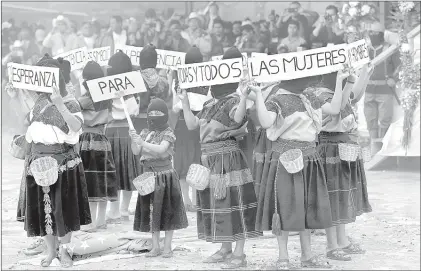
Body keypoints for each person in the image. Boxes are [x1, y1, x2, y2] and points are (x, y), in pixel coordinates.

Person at [250, 72, 352, 269]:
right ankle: (283, 257)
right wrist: (258, 95)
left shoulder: (308, 97)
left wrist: (341, 82)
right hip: (286, 159)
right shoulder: (277, 100)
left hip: (309, 158)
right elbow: (265, 123)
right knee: (284, 207)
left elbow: (334, 108)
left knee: (306, 207)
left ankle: (307, 255)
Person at [179, 47, 262, 269]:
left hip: (228, 159)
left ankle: (239, 254)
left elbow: (237, 118)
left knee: (236, 204)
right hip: (210, 160)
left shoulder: (234, 99)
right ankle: (225, 248)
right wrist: (185, 102)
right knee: (218, 205)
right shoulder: (209, 104)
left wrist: (243, 96)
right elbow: (191, 125)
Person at [24, 55, 91, 267]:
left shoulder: (70, 102)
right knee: (43, 209)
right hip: (38, 163)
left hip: (62, 162)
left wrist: (60, 104)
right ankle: (51, 251)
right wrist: (16, 95)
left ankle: (65, 251)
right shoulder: (37, 104)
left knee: (64, 209)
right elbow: (27, 124)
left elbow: (76, 128)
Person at [316, 66, 373, 261]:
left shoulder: (336, 91)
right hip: (329, 148)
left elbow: (351, 98)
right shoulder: (321, 94)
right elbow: (337, 109)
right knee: (331, 199)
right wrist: (344, 83)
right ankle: (331, 245)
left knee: (341, 198)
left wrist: (360, 75)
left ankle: (342, 240)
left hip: (343, 148)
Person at [130, 98, 188, 258]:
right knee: (151, 212)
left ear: (165, 114)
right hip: (148, 177)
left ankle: (167, 247)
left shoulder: (168, 133)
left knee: (168, 212)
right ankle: (155, 247)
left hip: (165, 177)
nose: (154, 115)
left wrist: (142, 142)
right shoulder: (144, 133)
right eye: (151, 112)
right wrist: (134, 140)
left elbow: (161, 149)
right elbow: (136, 151)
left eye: (158, 112)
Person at [77, 61, 118, 232]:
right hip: (103, 139)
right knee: (101, 180)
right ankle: (101, 220)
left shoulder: (86, 98)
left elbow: (73, 107)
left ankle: (90, 222)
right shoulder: (106, 96)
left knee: (90, 181)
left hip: (87, 139)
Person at [104, 51, 140, 223]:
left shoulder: (104, 90)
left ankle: (114, 211)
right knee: (128, 171)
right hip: (128, 132)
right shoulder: (132, 90)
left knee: (114, 172)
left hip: (110, 133)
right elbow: (135, 110)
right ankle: (124, 209)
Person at [172, 46, 208, 212]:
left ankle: (186, 201)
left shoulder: (178, 78)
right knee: (198, 160)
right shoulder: (207, 77)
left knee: (182, 162)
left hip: (181, 122)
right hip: (201, 121)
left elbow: (174, 107)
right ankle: (196, 200)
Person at [363, 22, 400, 155]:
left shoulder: (390, 49)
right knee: (370, 118)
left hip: (385, 90)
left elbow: (399, 67)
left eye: (375, 33)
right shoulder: (365, 49)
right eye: (370, 32)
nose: (373, 35)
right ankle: (374, 147)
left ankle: (384, 147)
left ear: (382, 34)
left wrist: (394, 79)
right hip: (368, 89)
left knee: (385, 118)